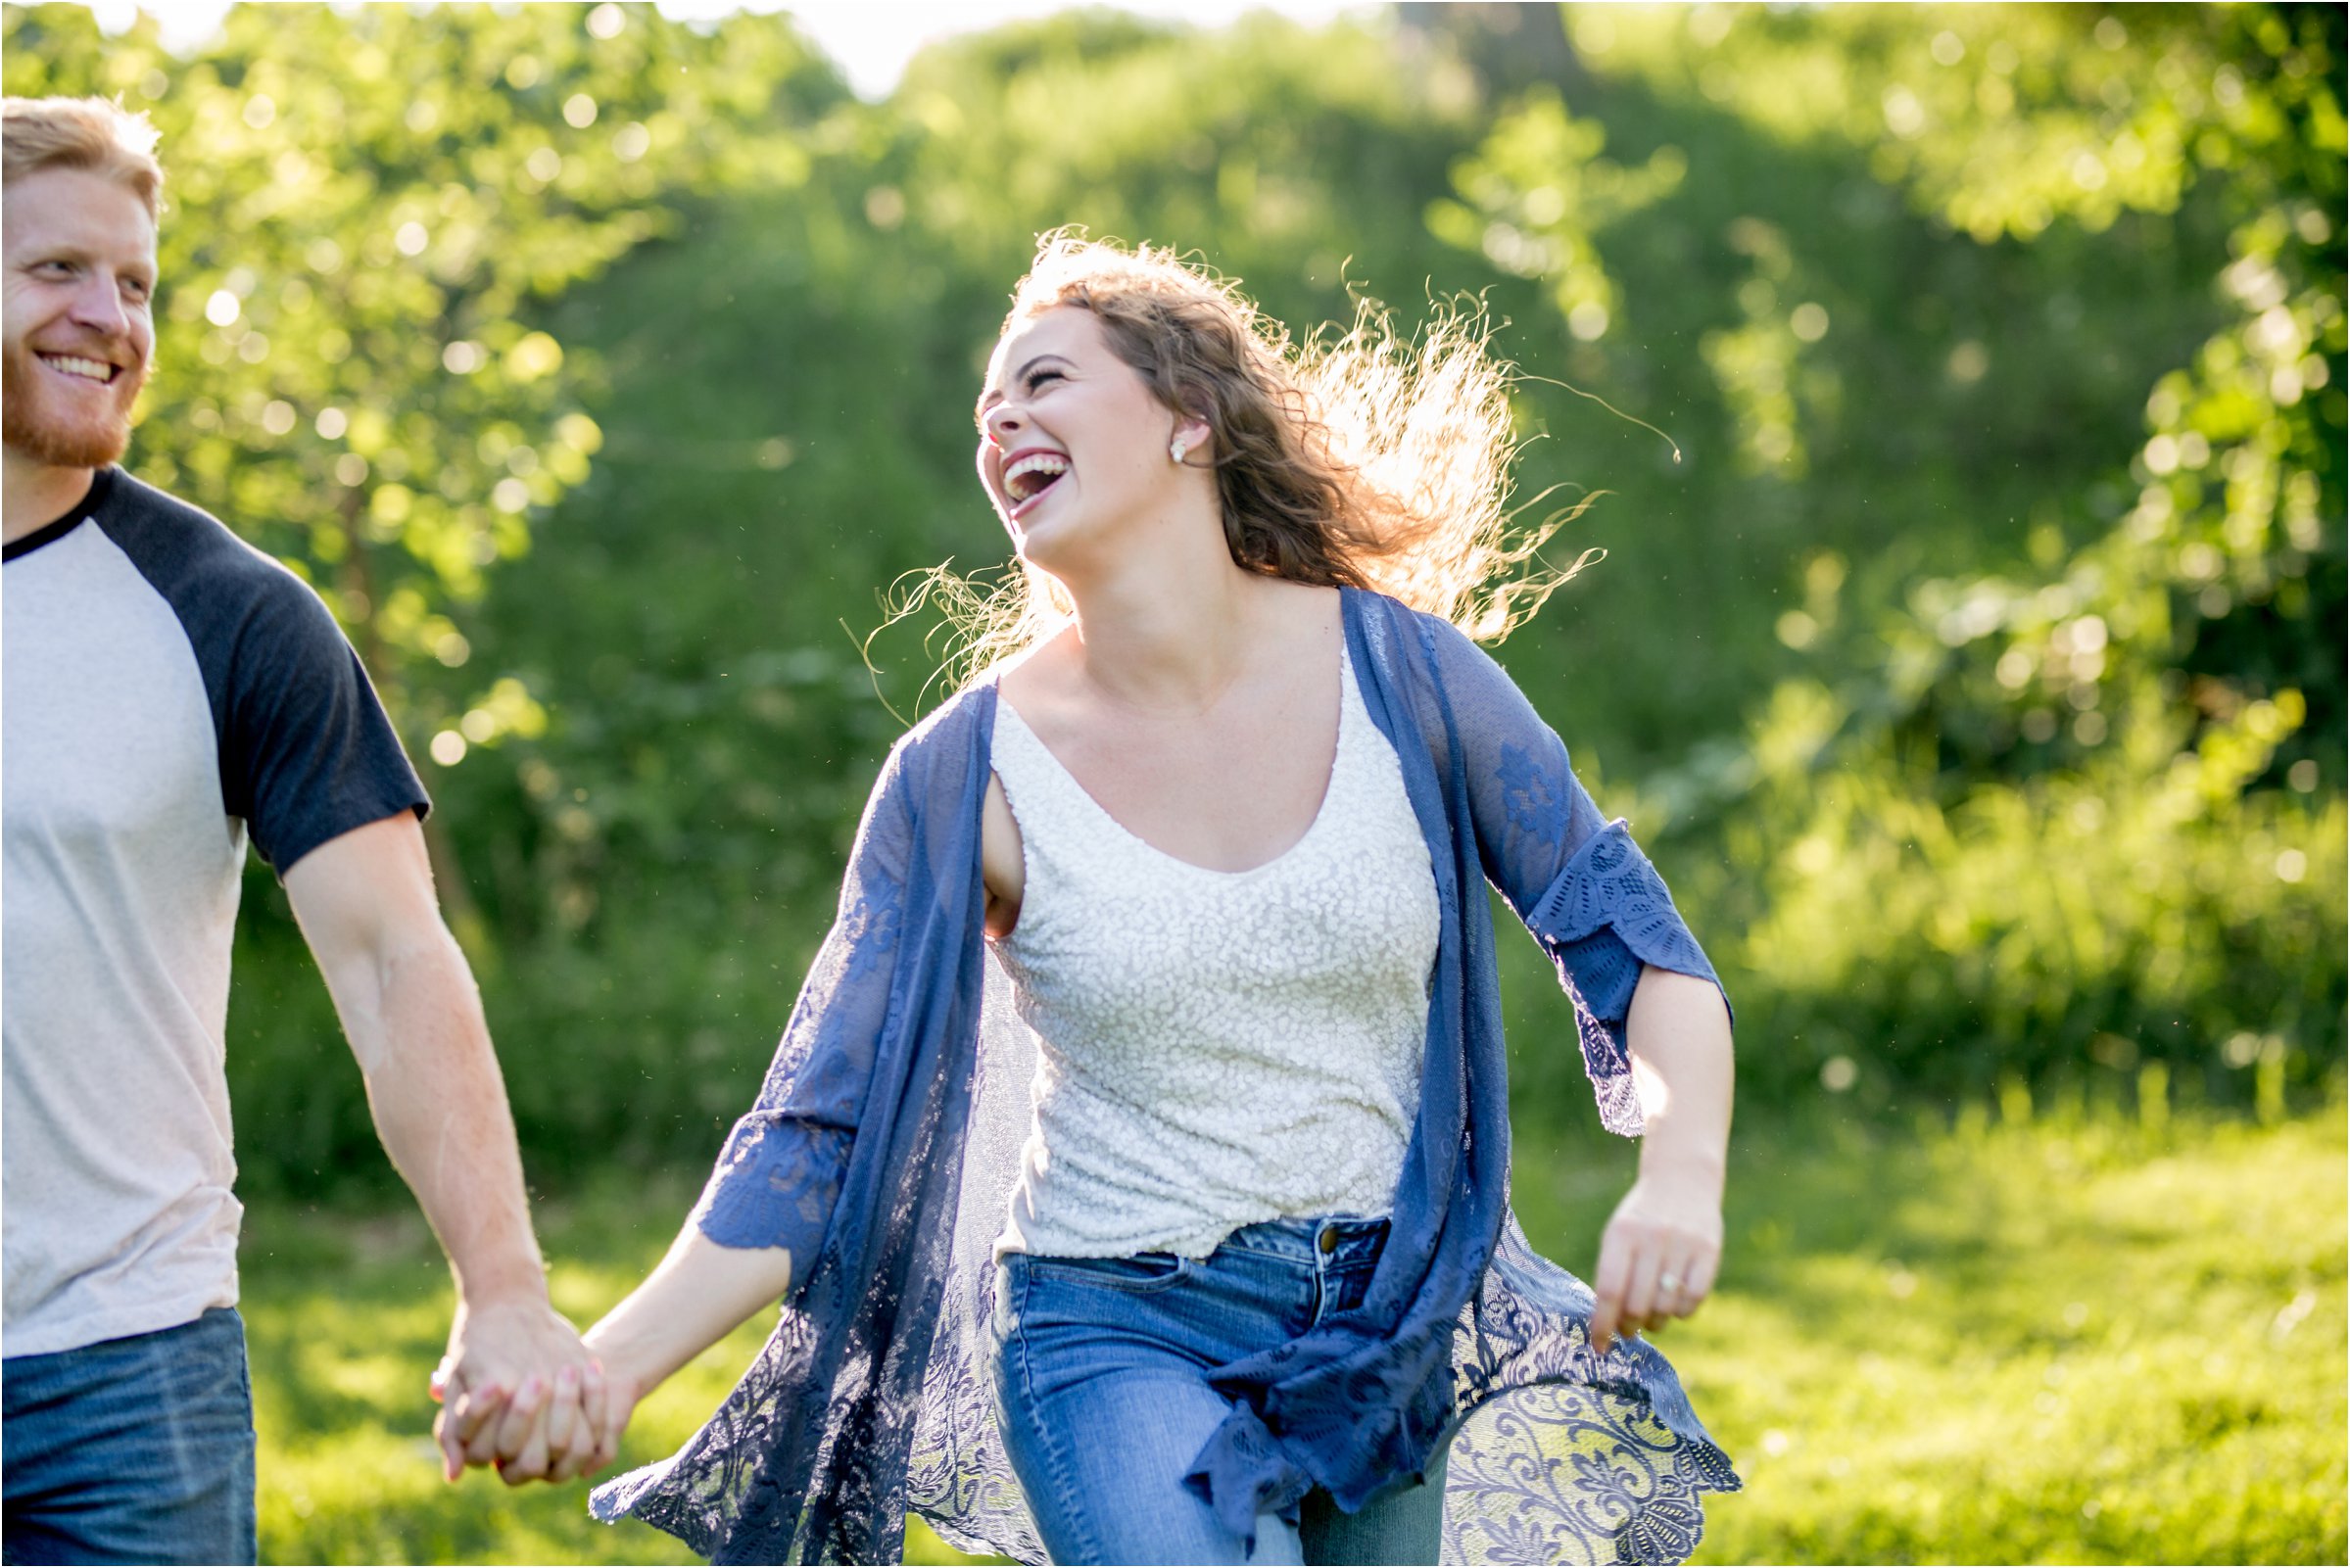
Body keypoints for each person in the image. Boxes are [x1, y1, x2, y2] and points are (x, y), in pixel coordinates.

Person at [486, 234, 1741, 1565]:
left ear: (1190, 419)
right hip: (1111, 1323)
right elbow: (819, 1131)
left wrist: (1682, 1178)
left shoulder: (1406, 678)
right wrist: (608, 1365)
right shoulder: (966, 774)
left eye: (1041, 380)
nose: (1002, 422)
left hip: (1383, 1329)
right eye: (987, 409)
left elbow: (1636, 945)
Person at [0, 95, 613, 1565]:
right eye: (59, 272)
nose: (112, 317)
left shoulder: (230, 614)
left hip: (122, 1366)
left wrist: (506, 1282)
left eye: (138, 282)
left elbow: (395, 961)